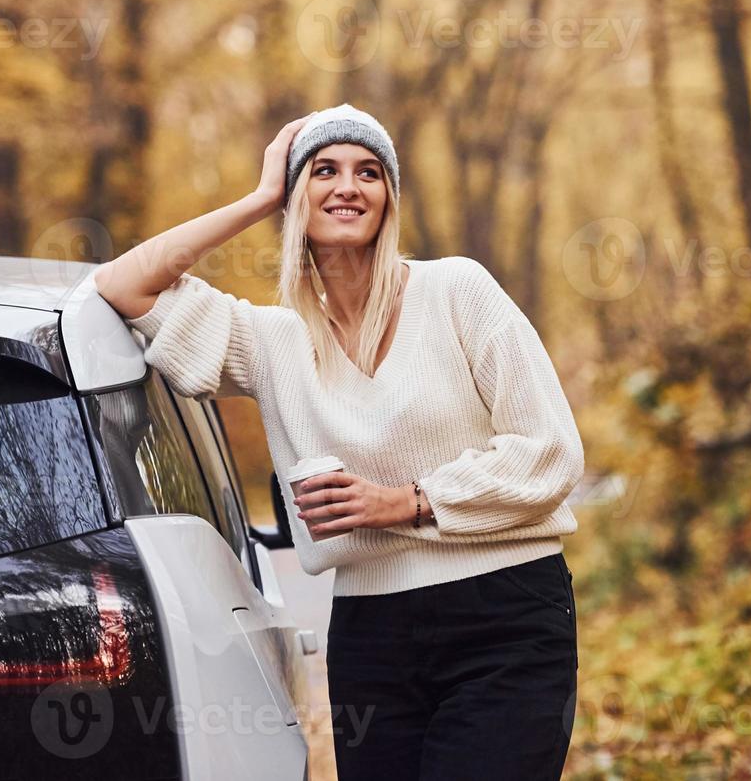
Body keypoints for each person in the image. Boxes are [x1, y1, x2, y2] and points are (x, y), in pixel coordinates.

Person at [94, 104, 584, 781]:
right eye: (323, 171)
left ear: (389, 199)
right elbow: (121, 285)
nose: (347, 186)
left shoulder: (457, 292)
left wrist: (406, 502)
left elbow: (550, 450)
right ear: (297, 200)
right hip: (370, 632)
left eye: (369, 172)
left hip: (504, 615)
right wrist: (260, 196)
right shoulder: (270, 341)